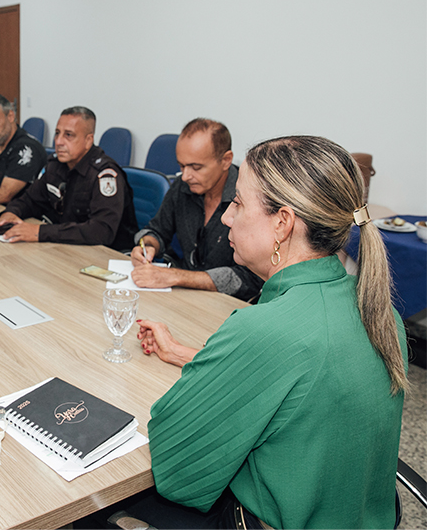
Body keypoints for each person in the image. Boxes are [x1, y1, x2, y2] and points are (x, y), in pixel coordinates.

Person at [126, 136, 407, 528]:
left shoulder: (264, 328)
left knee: (110, 498)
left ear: (282, 223)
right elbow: (304, 381)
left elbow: (177, 469)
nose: (226, 216)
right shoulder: (380, 312)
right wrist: (186, 353)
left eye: (238, 203)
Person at [130, 119, 263, 302]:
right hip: (183, 297)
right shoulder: (182, 187)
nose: (185, 176)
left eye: (196, 167)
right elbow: (157, 230)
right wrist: (148, 246)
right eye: (181, 166)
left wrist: (177, 276)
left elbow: (249, 278)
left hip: (228, 304)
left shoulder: (249, 200)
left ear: (226, 160)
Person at [0, 106, 137, 250]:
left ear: (88, 140)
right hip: (68, 247)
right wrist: (11, 213)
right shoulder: (56, 164)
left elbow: (101, 231)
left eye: (68, 135)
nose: (58, 141)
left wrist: (40, 232)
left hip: (106, 255)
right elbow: (30, 200)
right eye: (57, 133)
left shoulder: (105, 174)